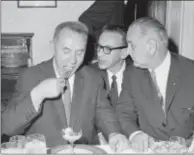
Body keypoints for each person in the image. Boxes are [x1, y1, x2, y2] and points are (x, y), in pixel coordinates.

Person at [1, 21, 129, 151]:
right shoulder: (30, 76)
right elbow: (8, 127)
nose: (73, 60)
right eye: (66, 51)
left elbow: (103, 111)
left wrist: (114, 133)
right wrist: (38, 94)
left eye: (79, 53)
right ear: (53, 46)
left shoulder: (93, 77)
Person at [115, 17, 194, 152]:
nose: (127, 52)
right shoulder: (132, 74)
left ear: (151, 46)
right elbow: (124, 111)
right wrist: (135, 134)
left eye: (132, 46)